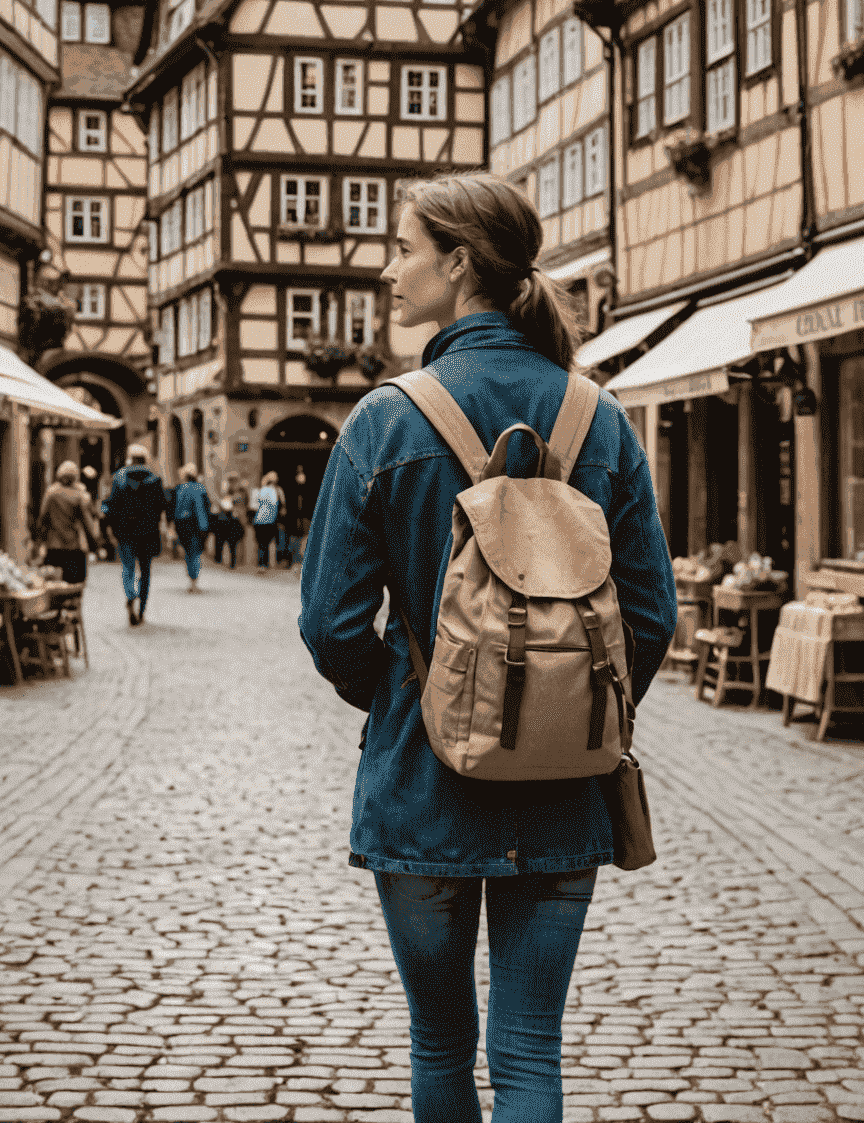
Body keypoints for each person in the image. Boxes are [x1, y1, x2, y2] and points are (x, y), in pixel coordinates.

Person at [298, 173, 677, 1123]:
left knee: (440, 1044)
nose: (390, 271)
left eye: (405, 249)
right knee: (529, 1056)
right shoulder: (599, 418)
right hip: (563, 787)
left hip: (424, 784)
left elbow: (331, 625)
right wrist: (567, 705)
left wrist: (415, 695)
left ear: (459, 264)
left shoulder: (388, 419)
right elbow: (652, 617)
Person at [101, 442, 166, 625]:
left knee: (128, 568)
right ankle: (142, 609)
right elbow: (162, 505)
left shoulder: (119, 478)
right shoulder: (155, 479)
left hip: (125, 532)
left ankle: (131, 595)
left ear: (130, 459)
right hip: (148, 532)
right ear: (145, 459)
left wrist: (111, 528)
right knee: (145, 571)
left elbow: (112, 505)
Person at [34, 460, 100, 584]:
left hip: (53, 546)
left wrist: (39, 541)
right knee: (74, 584)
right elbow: (87, 523)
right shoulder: (79, 495)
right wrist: (94, 544)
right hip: (73, 547)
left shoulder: (51, 492)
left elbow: (42, 518)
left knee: (53, 582)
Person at [173, 463, 211, 593]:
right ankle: (194, 581)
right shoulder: (201, 489)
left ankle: (192, 580)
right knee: (195, 554)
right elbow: (207, 509)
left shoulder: (180, 489)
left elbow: (174, 509)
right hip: (199, 526)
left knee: (189, 554)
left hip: (183, 525)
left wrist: (173, 526)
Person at [251, 471, 280, 573]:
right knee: (266, 544)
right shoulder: (273, 491)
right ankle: (264, 565)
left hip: (258, 521)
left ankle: (261, 564)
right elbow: (275, 506)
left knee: (260, 544)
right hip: (269, 521)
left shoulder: (258, 491)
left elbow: (253, 507)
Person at [284, 465, 311, 571]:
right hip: (294, 519)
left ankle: (302, 562)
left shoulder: (307, 491)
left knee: (304, 541)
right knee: (293, 541)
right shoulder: (292, 490)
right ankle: (293, 561)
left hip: (304, 518)